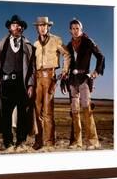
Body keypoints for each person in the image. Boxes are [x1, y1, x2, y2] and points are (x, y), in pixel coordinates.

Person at [0, 14, 35, 150]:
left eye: (19, 25)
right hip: (5, 83)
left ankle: (21, 141)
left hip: (21, 83)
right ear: (9, 28)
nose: (17, 27)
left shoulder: (29, 46)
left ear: (22, 28)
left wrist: (31, 84)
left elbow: (32, 68)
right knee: (6, 114)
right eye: (14, 25)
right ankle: (7, 141)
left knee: (22, 113)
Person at [64, 18, 105, 150]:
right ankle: (77, 141)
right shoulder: (69, 45)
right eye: (73, 28)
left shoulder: (88, 41)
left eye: (77, 28)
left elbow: (101, 56)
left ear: (81, 29)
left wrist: (96, 72)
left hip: (84, 80)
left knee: (87, 110)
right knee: (75, 112)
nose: (75, 31)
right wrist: (65, 77)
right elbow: (67, 63)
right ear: (70, 30)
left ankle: (93, 141)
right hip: (72, 81)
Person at [32, 17, 71, 150]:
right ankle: (38, 141)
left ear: (49, 27)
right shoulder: (35, 44)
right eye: (39, 26)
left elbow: (67, 54)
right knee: (37, 111)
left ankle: (49, 142)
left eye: (44, 25)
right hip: (36, 78)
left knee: (48, 111)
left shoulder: (56, 40)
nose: (42, 28)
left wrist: (65, 71)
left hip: (49, 77)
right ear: (37, 28)